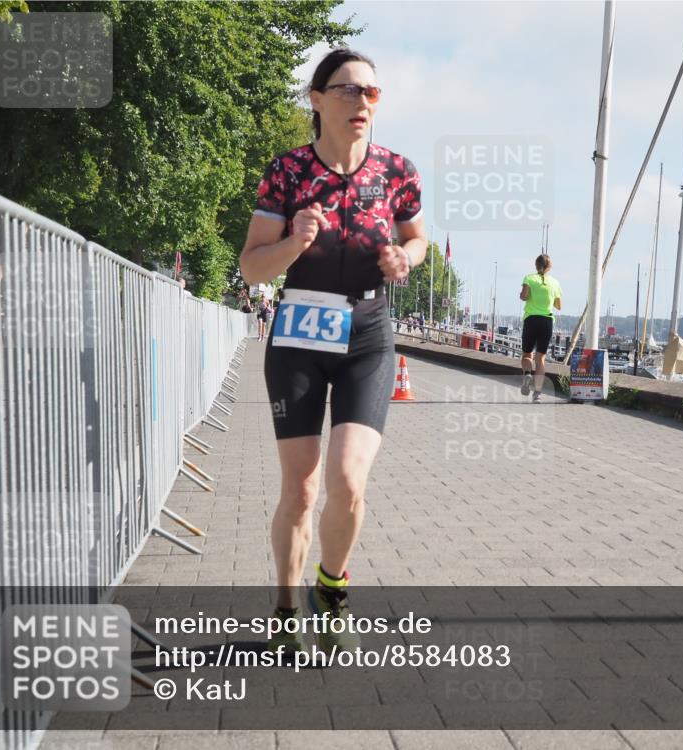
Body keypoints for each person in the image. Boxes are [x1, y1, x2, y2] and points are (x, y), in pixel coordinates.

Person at [239, 47, 425, 655]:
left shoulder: (397, 172)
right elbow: (251, 267)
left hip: (367, 335)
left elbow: (416, 239)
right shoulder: (288, 173)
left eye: (372, 92)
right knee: (301, 490)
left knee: (348, 479)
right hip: (298, 331)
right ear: (317, 100)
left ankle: (332, 586)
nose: (363, 103)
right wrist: (293, 241)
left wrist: (406, 259)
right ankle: (286, 605)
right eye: (349, 91)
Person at [519, 254, 562, 403]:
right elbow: (559, 305)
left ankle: (527, 374)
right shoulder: (555, 283)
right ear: (549, 267)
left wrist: (528, 294)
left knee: (526, 355)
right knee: (541, 358)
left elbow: (523, 296)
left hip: (531, 320)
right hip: (547, 321)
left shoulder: (529, 278)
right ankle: (537, 394)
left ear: (536, 265)